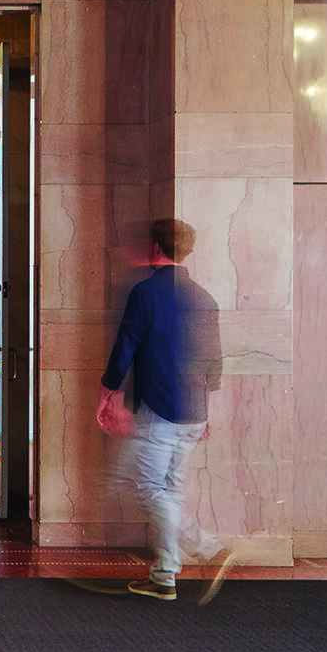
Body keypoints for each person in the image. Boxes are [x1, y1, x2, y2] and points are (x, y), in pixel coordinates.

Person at [97, 218, 234, 603]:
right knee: (169, 489)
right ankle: (165, 574)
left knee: (148, 488)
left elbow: (126, 345)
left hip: (161, 408)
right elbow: (215, 361)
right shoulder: (204, 296)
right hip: (193, 411)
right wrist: (206, 410)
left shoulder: (146, 293)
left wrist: (107, 393)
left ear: (157, 248)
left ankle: (207, 551)